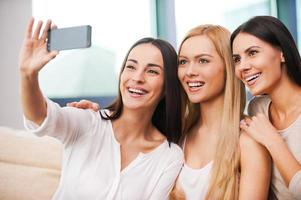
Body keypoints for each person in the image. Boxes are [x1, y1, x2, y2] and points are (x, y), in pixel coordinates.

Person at [74, 24, 272, 200]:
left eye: (203, 61)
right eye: (183, 62)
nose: (189, 72)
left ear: (229, 67)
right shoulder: (177, 134)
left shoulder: (248, 142)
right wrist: (99, 117)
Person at [19, 17, 184, 200]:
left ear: (167, 87)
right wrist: (28, 75)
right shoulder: (89, 121)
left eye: (152, 71)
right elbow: (40, 117)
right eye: (131, 67)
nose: (137, 77)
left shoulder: (170, 157)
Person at [231, 15, 301, 200]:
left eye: (252, 53)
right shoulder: (257, 109)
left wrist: (273, 141)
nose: (242, 66)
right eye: (237, 59)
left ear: (282, 53)